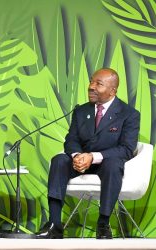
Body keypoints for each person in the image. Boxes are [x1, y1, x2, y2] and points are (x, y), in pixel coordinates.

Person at [36, 68, 140, 239]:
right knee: (59, 160)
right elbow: (71, 140)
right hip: (81, 162)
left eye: (98, 84)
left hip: (106, 163)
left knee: (114, 164)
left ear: (112, 90)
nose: (91, 86)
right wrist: (77, 155)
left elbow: (126, 149)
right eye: (91, 81)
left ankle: (103, 223)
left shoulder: (129, 114)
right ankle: (55, 224)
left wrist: (93, 157)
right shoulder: (81, 111)